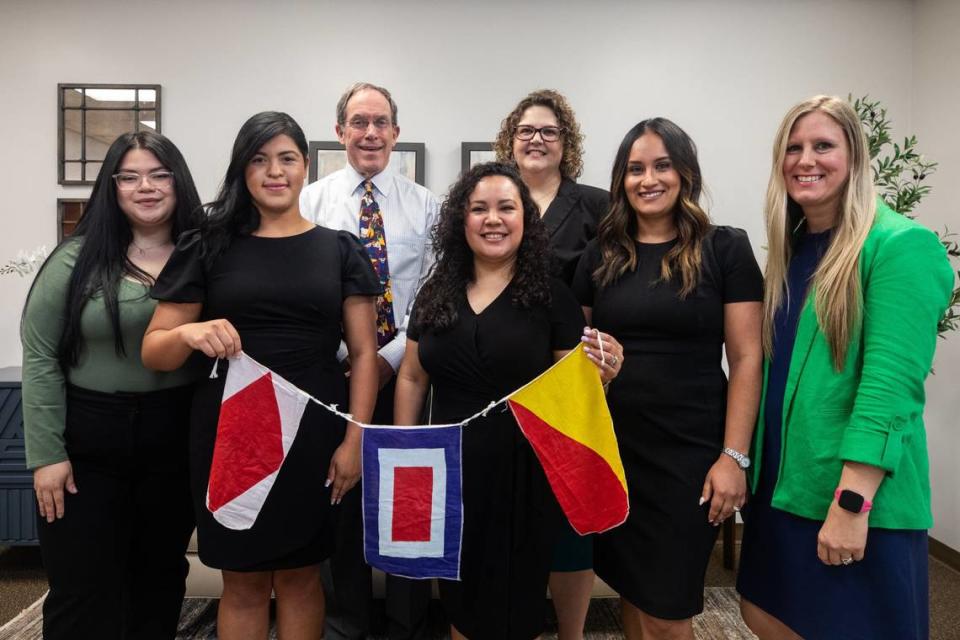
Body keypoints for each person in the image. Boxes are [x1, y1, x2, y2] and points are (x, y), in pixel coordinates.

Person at [141, 111, 381, 640]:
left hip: (316, 434)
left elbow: (365, 353)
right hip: (232, 435)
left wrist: (356, 439)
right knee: (244, 580)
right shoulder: (208, 244)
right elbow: (154, 350)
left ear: (307, 167)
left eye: (287, 158)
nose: (274, 171)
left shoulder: (340, 247)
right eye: (259, 159)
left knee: (300, 577)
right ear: (242, 170)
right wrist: (190, 334)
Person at [736, 95, 954, 640]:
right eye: (793, 148)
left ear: (855, 157)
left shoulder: (900, 246)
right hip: (783, 485)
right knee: (764, 614)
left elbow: (890, 389)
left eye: (823, 146)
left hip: (850, 496)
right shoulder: (792, 251)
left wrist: (852, 502)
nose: (805, 159)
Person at [394, 162, 623, 640]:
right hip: (449, 471)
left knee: (515, 606)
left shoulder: (552, 297)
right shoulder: (436, 292)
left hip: (527, 475)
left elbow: (575, 391)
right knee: (458, 598)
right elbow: (413, 377)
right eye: (479, 208)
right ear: (462, 220)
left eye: (506, 208)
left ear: (525, 220)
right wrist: (404, 452)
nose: (492, 219)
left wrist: (605, 374)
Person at [572, 118, 763, 640]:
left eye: (661, 166)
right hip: (618, 448)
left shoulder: (725, 249)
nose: (647, 179)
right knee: (635, 588)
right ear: (621, 179)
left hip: (690, 453)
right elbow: (577, 356)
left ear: (685, 173)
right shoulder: (600, 254)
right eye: (635, 169)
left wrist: (734, 457)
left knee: (668, 602)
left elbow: (747, 358)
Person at [21, 130, 203, 639]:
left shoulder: (205, 256)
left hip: (172, 441)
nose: (146, 186)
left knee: (160, 581)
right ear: (113, 187)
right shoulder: (74, 261)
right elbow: (39, 356)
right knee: (82, 588)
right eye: (130, 176)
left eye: (159, 174)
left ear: (178, 181)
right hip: (85, 448)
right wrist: (46, 457)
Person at [299, 81, 439, 640]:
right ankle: (348, 623)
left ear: (397, 134)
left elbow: (433, 296)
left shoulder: (427, 206)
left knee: (407, 500)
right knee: (340, 501)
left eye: (380, 122)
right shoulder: (310, 202)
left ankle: (408, 622)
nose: (370, 133)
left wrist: (384, 358)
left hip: (406, 375)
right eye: (358, 122)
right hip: (330, 377)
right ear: (339, 132)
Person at [493, 88, 609, 639]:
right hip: (495, 375)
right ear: (509, 142)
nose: (537, 140)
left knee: (569, 516)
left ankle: (571, 632)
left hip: (569, 380)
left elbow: (619, 283)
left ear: (567, 143)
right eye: (526, 131)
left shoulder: (596, 205)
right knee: (508, 512)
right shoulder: (491, 198)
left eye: (549, 131)